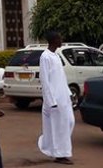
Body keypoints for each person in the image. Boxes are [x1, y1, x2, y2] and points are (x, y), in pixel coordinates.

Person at [38, 31, 75, 165]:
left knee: (69, 122)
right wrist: (50, 100)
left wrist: (68, 94)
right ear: (54, 40)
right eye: (60, 38)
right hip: (54, 99)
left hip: (63, 97)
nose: (62, 40)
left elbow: (61, 78)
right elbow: (45, 80)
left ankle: (56, 149)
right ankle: (60, 154)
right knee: (59, 126)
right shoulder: (45, 57)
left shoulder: (56, 56)